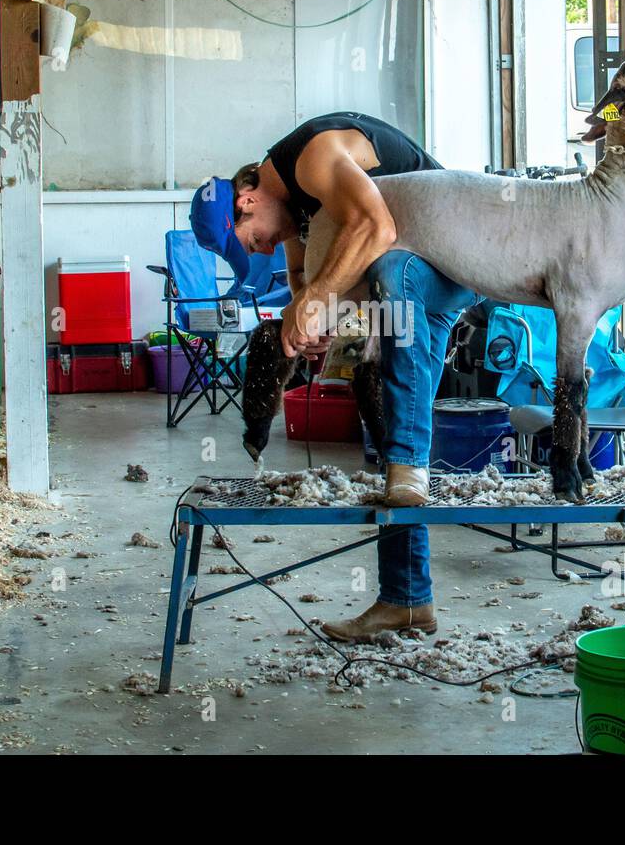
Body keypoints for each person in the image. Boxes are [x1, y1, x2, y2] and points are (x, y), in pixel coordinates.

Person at [189, 111, 479, 642]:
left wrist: (320, 302)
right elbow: (307, 279)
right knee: (398, 414)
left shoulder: (313, 154)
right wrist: (316, 320)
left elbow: (376, 227)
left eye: (249, 242)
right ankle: (407, 599)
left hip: (460, 252)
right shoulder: (297, 206)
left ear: (246, 200)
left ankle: (410, 470)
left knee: (394, 270)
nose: (259, 251)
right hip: (418, 275)